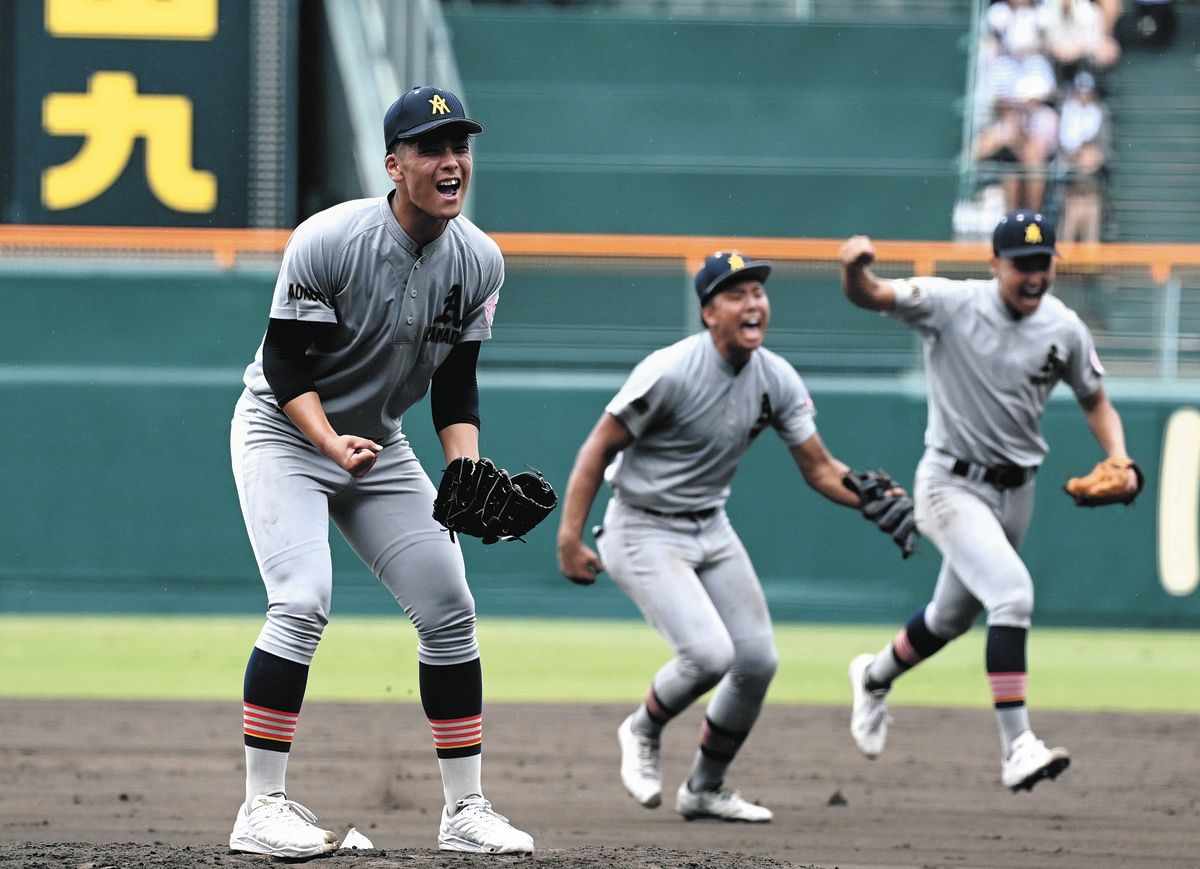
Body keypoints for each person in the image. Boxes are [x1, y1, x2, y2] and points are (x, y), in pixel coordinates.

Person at [227, 85, 534, 857]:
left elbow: (456, 385)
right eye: (431, 147)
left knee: (449, 606)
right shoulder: (329, 240)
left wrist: (464, 470)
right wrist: (329, 443)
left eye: (460, 145)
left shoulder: (480, 261)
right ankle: (260, 807)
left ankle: (465, 810)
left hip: (379, 444)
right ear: (394, 165)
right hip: (285, 432)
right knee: (301, 600)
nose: (451, 161)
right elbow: (284, 363)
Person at [556, 251, 915, 822]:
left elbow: (820, 467)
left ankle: (704, 788)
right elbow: (597, 448)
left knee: (756, 661)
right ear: (708, 312)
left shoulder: (775, 377)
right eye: (735, 294)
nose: (753, 304)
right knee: (708, 655)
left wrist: (867, 498)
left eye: (758, 293)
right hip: (642, 525)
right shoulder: (670, 370)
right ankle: (642, 728)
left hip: (710, 524)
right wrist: (570, 539)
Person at [838, 210, 1140, 792]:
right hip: (949, 485)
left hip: (1016, 491)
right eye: (1022, 264)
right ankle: (1017, 746)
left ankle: (873, 676)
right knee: (1012, 594)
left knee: (950, 618)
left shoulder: (1064, 326)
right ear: (995, 263)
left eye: (1043, 263)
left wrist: (1120, 457)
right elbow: (871, 295)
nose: (1035, 276)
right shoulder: (951, 303)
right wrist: (854, 271)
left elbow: (1095, 400)